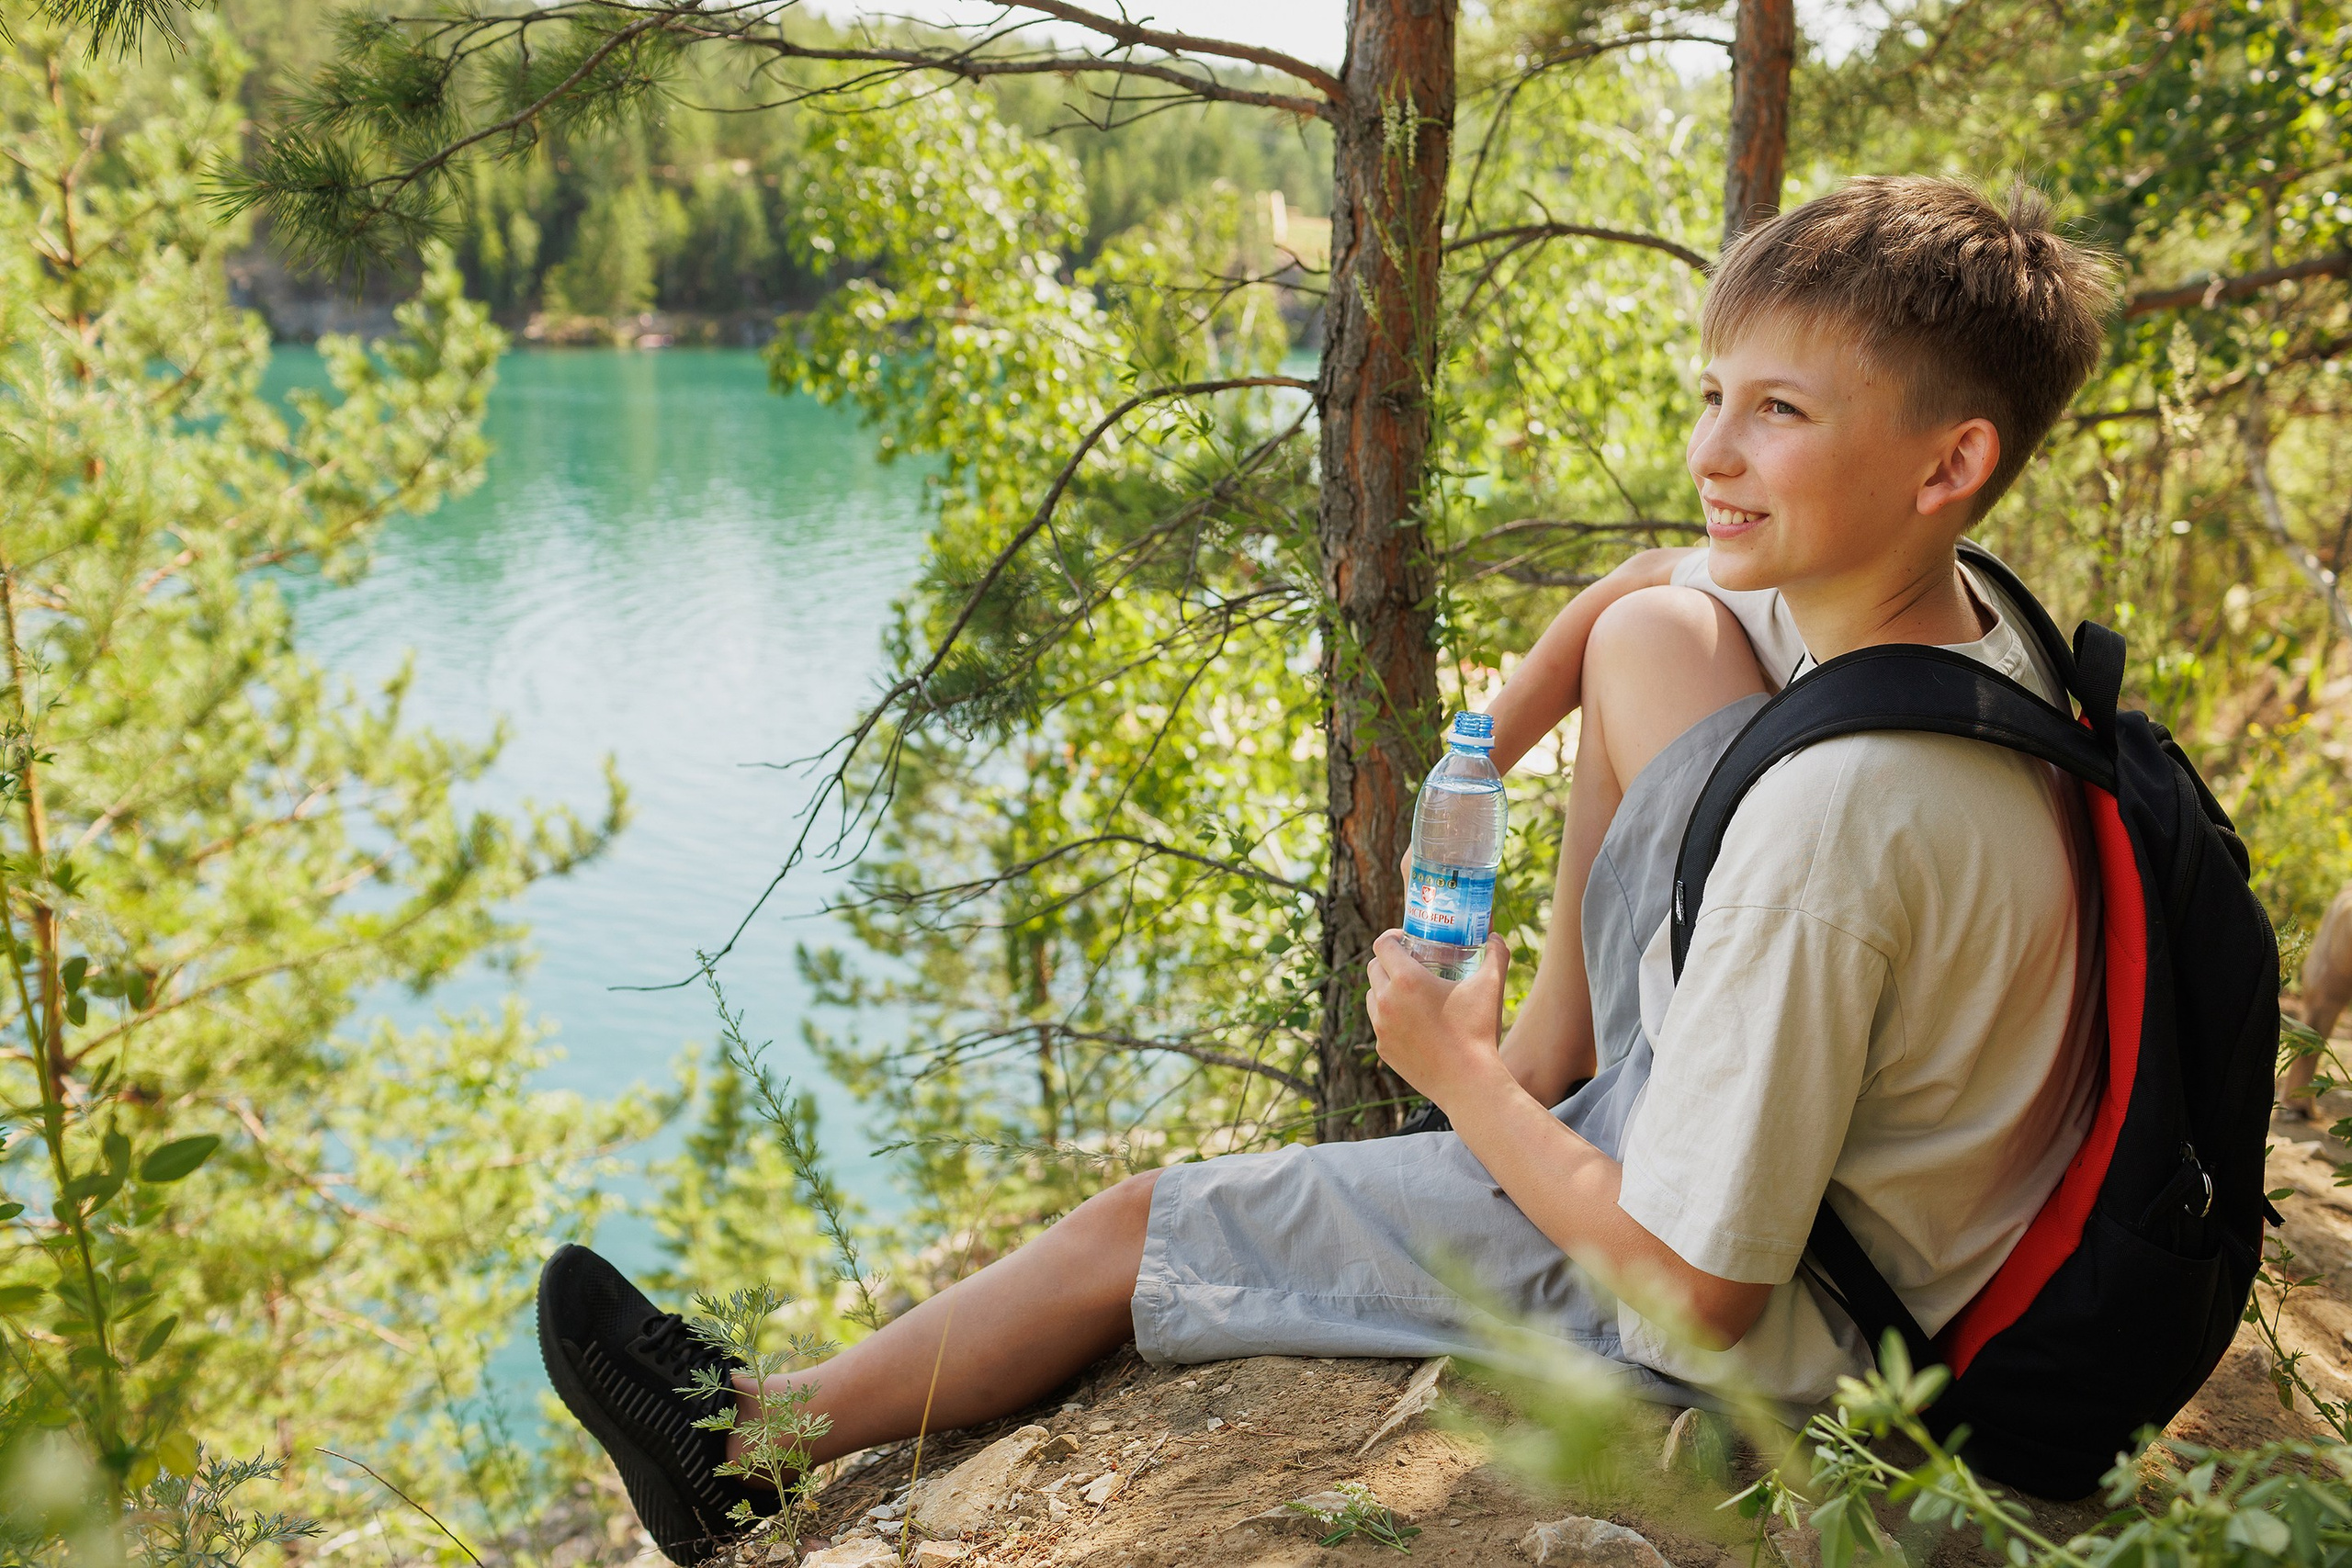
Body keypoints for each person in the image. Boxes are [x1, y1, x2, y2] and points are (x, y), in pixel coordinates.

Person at [537, 176, 2120, 1563]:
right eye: (1713, 393)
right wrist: (1493, 733)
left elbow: (1696, 1296)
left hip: (1813, 1326)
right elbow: (1655, 583)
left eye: (1779, 413)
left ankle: (753, 1447)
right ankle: (1559, 1075)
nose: (1712, 450)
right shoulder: (1967, 611)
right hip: (1900, 1199)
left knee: (1134, 1222)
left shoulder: (1830, 830)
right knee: (1650, 629)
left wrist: (1459, 1081)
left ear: (1945, 460)